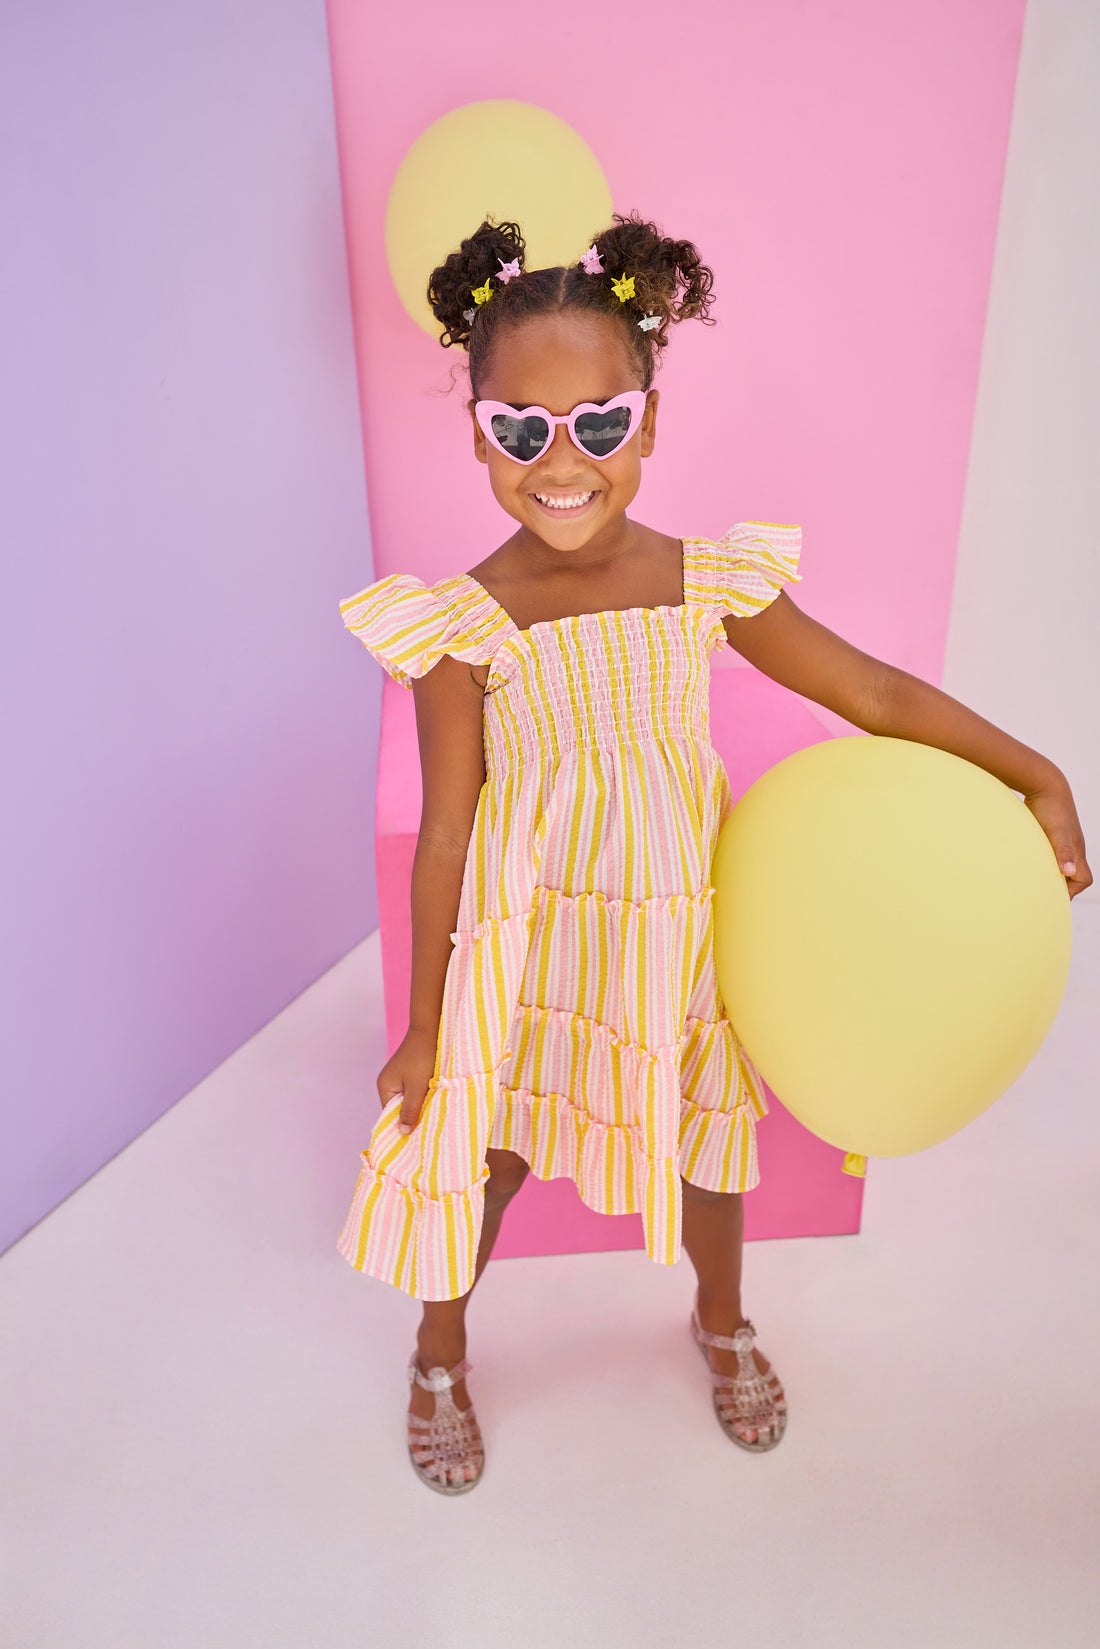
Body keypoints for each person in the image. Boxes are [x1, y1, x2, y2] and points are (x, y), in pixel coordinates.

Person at [337, 213, 1092, 1495]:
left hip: (673, 934)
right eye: (522, 429)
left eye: (599, 422)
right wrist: (422, 1020)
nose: (560, 460)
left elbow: (871, 690)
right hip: (530, 950)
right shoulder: (465, 624)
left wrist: (1035, 769)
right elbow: (451, 824)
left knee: (706, 1146)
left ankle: (721, 1318)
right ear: (478, 433)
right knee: (484, 1156)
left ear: (648, 419)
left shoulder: (705, 583)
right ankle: (439, 1350)